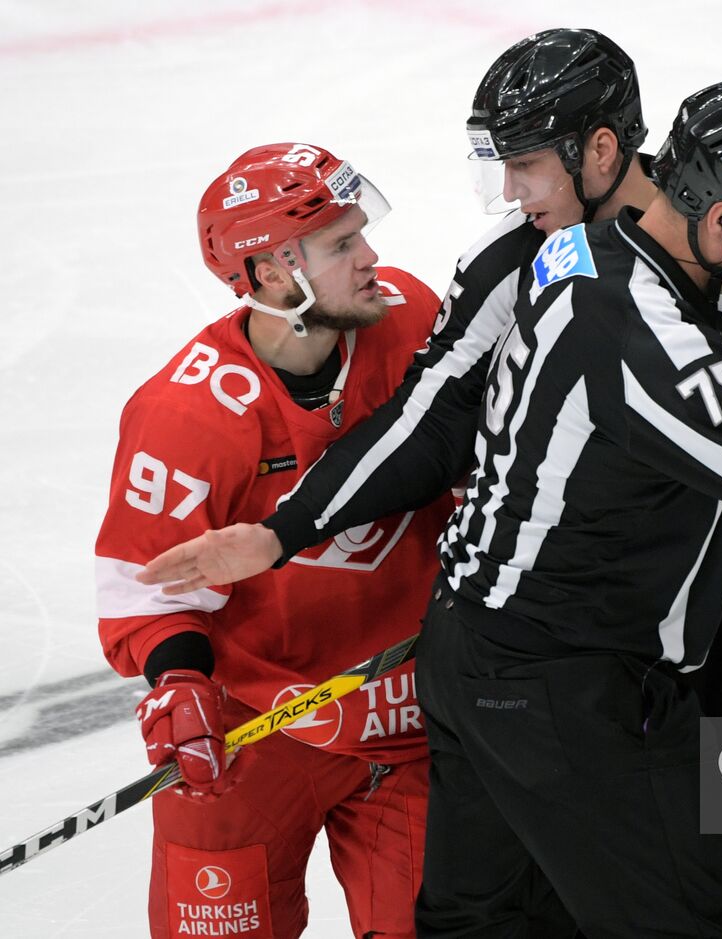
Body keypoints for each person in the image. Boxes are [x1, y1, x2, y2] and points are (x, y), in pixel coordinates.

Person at [139, 81, 722, 937]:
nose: (509, 191)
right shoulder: (612, 304)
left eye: (526, 163)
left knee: (542, 905)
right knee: (699, 903)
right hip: (582, 668)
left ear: (609, 152)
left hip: (558, 638)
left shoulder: (616, 256)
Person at [94, 143, 529, 938]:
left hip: (410, 721)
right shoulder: (186, 415)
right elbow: (142, 587)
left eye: (362, 232)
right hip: (253, 738)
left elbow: (486, 474)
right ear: (266, 274)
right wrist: (178, 683)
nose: (373, 258)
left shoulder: (411, 323)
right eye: (340, 244)